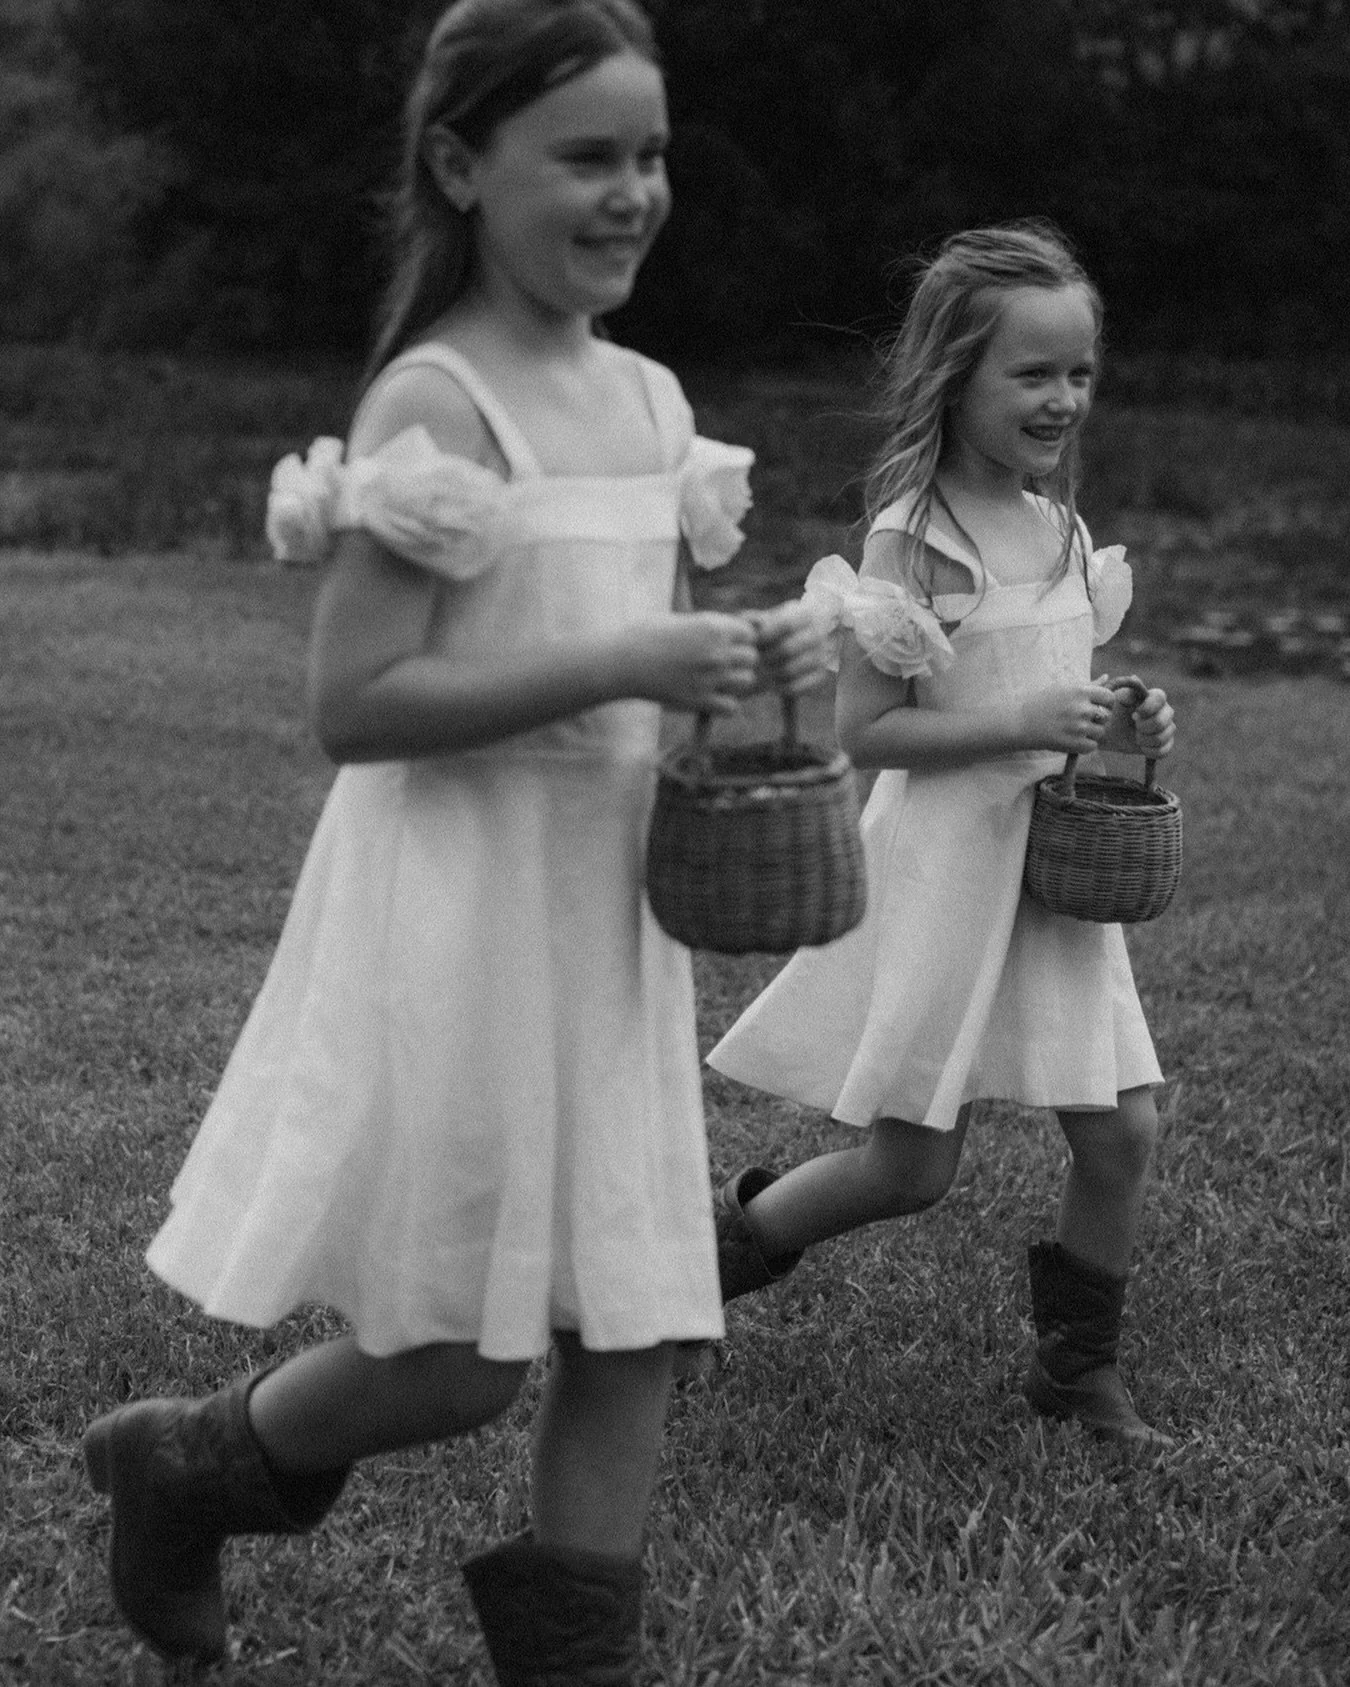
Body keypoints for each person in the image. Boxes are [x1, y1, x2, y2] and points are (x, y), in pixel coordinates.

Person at [79, 2, 825, 1679]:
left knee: (633, 1323)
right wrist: (630, 658)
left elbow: (640, 629)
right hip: (470, 909)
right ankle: (186, 1460)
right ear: (459, 164)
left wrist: (730, 665)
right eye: (586, 157)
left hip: (607, 906)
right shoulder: (445, 391)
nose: (633, 191)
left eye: (649, 155)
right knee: (463, 1358)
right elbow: (361, 701)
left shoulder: (647, 397)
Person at [705, 221, 1178, 1448]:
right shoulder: (917, 536)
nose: (1063, 397)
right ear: (956, 373)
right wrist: (1017, 715)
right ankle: (714, 1255)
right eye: (1033, 373)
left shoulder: (1061, 527)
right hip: (951, 871)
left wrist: (1125, 720)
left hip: (1054, 873)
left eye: (1079, 371)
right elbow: (870, 729)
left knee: (1123, 1125)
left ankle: (1076, 1368)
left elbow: (1060, 686)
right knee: (912, 1168)